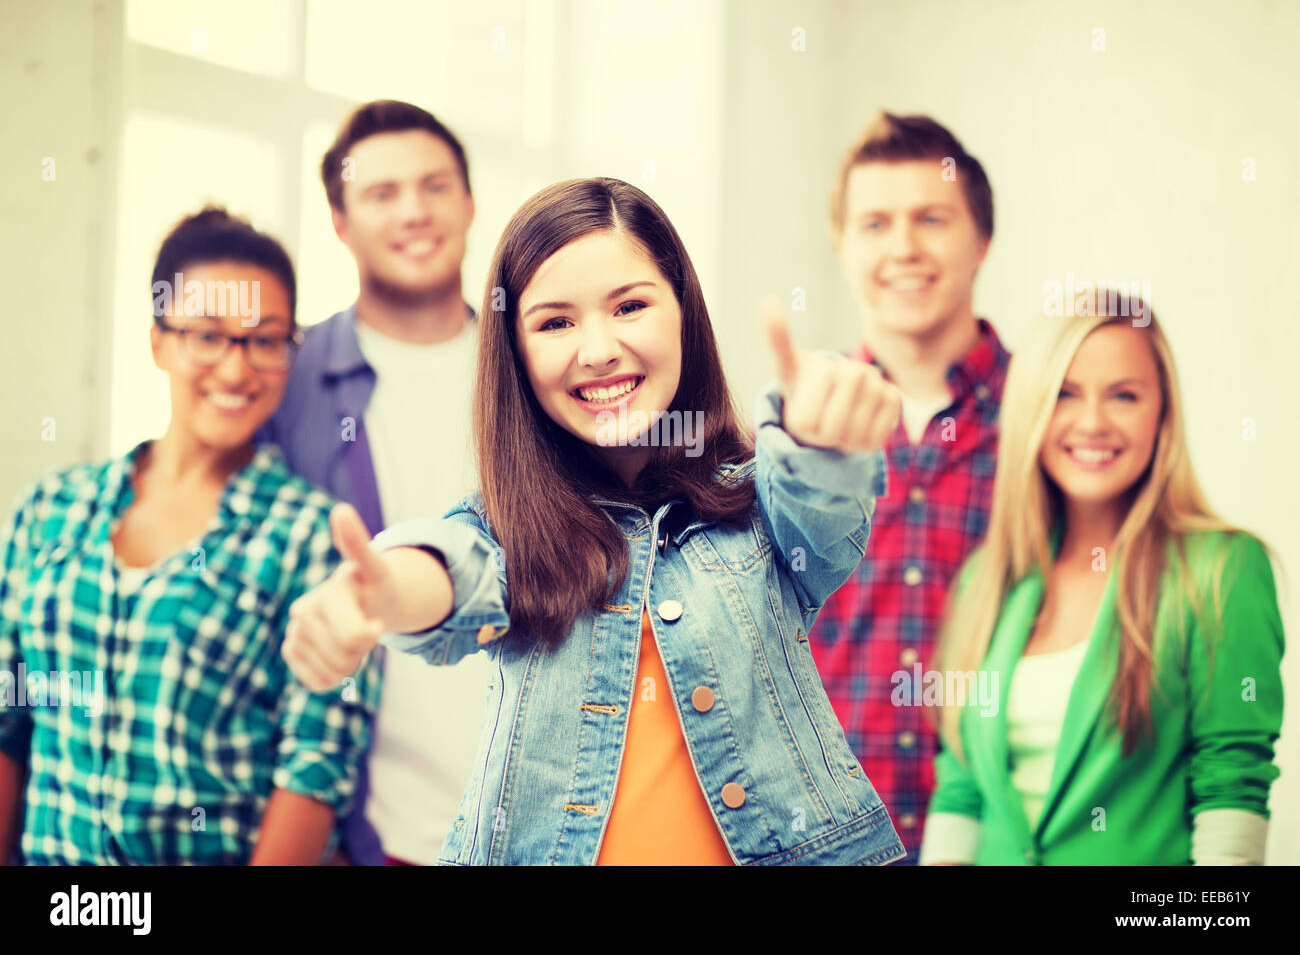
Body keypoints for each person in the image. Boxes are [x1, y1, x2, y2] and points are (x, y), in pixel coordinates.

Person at [278, 177, 908, 865]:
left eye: (630, 306)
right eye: (555, 322)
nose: (599, 349)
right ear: (515, 355)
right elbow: (448, 570)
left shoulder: (759, 505)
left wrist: (825, 445)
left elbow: (823, 512)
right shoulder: (509, 532)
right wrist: (381, 594)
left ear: (683, 313)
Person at [0, 207, 379, 865]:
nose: (236, 371)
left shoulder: (313, 538)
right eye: (207, 335)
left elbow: (315, 768)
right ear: (158, 341)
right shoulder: (52, 508)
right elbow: (8, 720)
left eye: (265, 340)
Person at [920, 292, 1285, 865]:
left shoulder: (1223, 569)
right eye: (1065, 393)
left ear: (1163, 413)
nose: (1092, 422)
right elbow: (961, 787)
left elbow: (1231, 784)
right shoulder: (985, 582)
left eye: (1124, 395)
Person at [257, 100, 484, 866]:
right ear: (340, 222)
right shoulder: (284, 382)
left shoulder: (537, 369)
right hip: (365, 831)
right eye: (382, 194)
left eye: (434, 185)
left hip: (544, 816)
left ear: (471, 201)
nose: (414, 212)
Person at [807, 111, 1010, 860]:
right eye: (876, 223)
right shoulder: (797, 427)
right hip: (827, 837)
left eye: (932, 218)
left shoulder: (1053, 422)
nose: (904, 248)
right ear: (843, 245)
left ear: (981, 239)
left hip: (1009, 832)